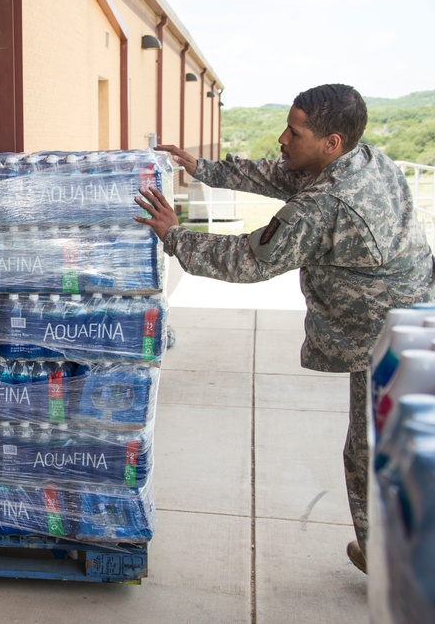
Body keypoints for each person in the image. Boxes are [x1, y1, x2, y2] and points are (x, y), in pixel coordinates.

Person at [134, 84, 435, 574]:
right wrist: (202, 167)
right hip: (416, 316)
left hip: (387, 340)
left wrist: (174, 235)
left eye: (294, 132)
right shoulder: (365, 160)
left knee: (372, 455)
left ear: (330, 142)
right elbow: (281, 174)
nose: (282, 138)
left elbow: (248, 261)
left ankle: (395, 567)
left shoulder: (326, 204)